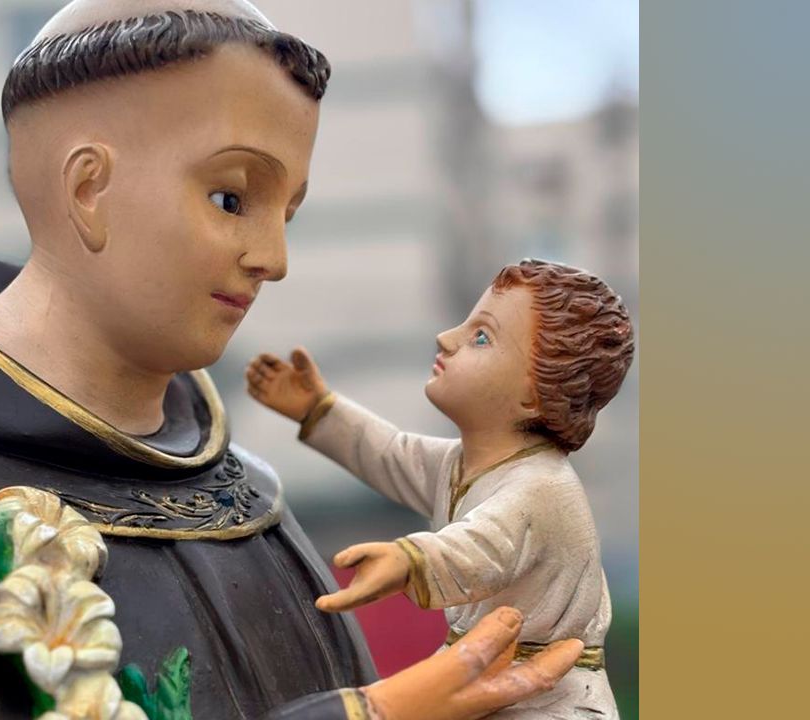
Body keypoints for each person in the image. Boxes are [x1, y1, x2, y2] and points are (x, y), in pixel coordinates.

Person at [0, 2, 581, 718]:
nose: (273, 259)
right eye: (232, 198)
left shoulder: (247, 499)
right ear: (89, 189)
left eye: (288, 213)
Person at [247, 260, 635, 718]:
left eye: (480, 337)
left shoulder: (542, 487)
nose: (446, 338)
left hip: (548, 700)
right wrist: (319, 410)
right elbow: (391, 453)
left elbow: (481, 547)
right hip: (484, 676)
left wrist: (408, 560)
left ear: (535, 393)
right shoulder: (462, 463)